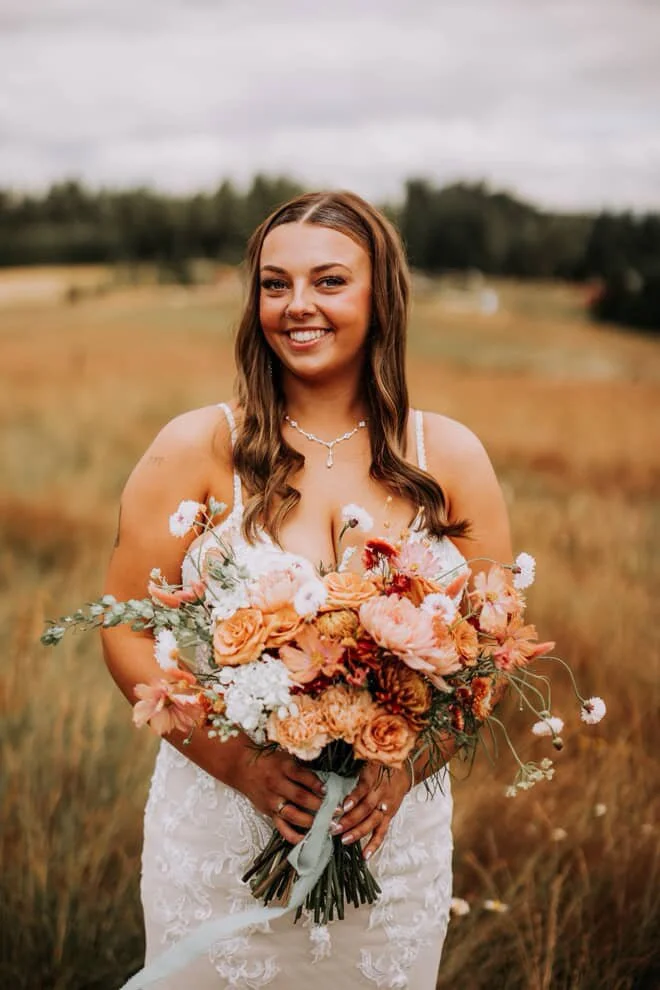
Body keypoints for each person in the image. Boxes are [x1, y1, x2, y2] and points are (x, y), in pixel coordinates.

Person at [101, 190, 512, 989]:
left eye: (329, 282)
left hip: (389, 847)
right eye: (274, 283)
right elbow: (123, 627)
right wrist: (237, 765)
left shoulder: (450, 458)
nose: (297, 307)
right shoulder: (195, 447)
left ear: (379, 297)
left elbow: (491, 649)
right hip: (221, 840)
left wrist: (407, 763)